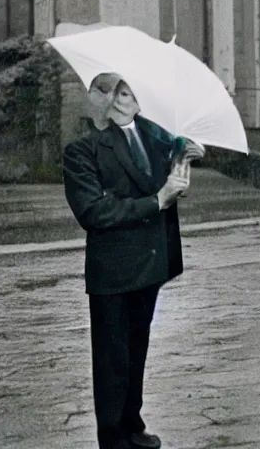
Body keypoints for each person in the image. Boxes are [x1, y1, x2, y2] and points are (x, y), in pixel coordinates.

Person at [63, 74, 204, 449]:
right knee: (112, 358)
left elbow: (164, 170)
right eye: (124, 92)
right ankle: (112, 438)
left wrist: (184, 156)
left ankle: (132, 423)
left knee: (137, 347)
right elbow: (94, 211)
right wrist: (158, 200)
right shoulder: (83, 150)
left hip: (150, 263)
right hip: (113, 270)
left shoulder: (152, 136)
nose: (135, 97)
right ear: (108, 103)